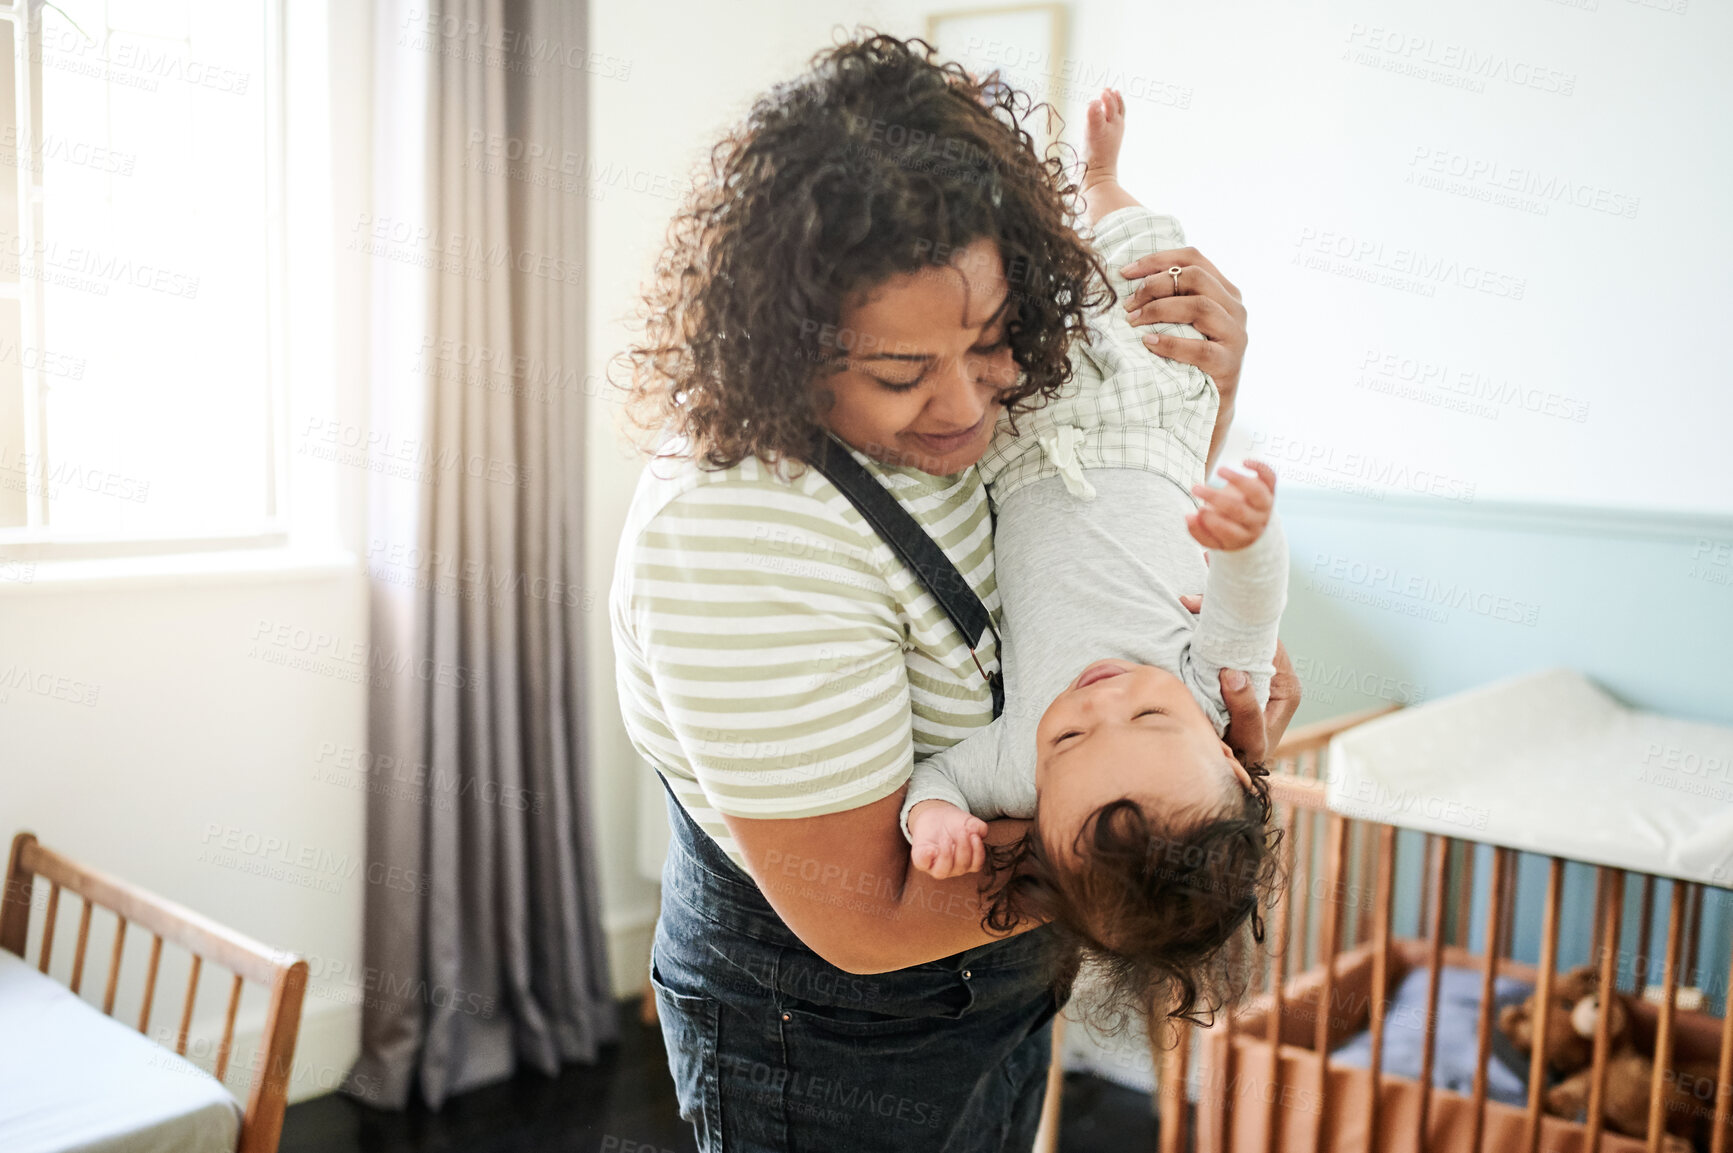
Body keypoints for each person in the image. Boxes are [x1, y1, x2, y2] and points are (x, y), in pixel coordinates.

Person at [610, 34, 1297, 1153]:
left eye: (991, 343)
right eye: (900, 374)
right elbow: (866, 913)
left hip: (997, 973)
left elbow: (1098, 539)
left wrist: (1197, 401)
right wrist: (1134, 866)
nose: (968, 406)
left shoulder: (964, 397)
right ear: (784, 349)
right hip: (835, 1032)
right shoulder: (740, 527)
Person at [897, 89, 1287, 1035]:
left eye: (1067, 740)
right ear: (1230, 761)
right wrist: (1247, 535)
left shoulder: (1010, 768)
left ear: (1031, 823)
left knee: (1019, 294)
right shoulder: (1213, 689)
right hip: (1151, 426)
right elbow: (1250, 600)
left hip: (1023, 443)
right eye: (1147, 715)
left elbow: (939, 775)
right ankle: (1102, 180)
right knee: (1143, 269)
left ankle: (1004, 195)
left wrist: (933, 821)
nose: (1098, 699)